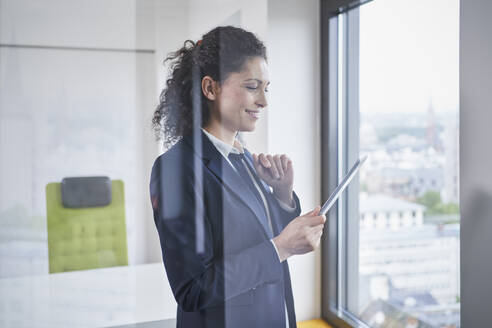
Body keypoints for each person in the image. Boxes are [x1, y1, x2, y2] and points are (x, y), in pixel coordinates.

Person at [150, 26, 326, 328]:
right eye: (252, 86)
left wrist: (282, 195)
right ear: (210, 88)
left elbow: (258, 238)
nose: (263, 101)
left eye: (266, 88)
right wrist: (281, 247)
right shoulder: (175, 169)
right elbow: (193, 289)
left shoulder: (244, 157)